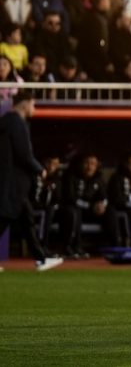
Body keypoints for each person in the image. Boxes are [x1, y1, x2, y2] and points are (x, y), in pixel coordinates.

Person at [0, 92, 63, 270]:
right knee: (4, 219)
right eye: (33, 105)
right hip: (14, 184)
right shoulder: (16, 123)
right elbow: (24, 154)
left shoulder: (6, 122)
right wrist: (39, 169)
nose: (34, 109)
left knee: (27, 220)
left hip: (10, 182)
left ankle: (41, 258)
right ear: (25, 104)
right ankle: (41, 258)